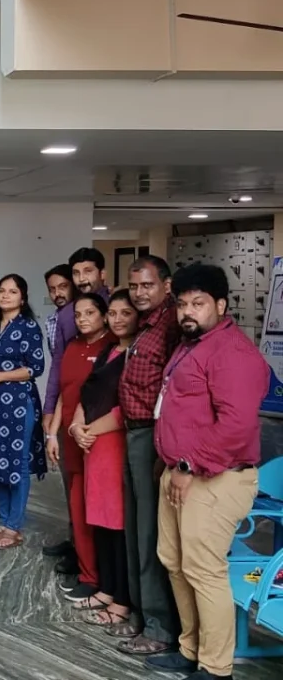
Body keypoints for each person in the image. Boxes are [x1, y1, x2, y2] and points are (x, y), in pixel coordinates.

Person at [145, 264, 268, 680]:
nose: (188, 312)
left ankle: (215, 668)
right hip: (180, 473)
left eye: (198, 304)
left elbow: (236, 427)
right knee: (175, 562)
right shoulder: (192, 345)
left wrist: (186, 464)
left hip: (214, 477)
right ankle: (191, 648)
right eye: (182, 304)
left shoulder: (232, 353)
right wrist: (171, 463)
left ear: (220, 305)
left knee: (203, 569)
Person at [116, 255, 182, 655]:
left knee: (150, 534)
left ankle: (159, 627)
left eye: (147, 285)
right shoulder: (145, 324)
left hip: (153, 437)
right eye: (134, 285)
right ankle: (140, 615)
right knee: (134, 530)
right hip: (132, 432)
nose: (139, 292)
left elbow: (174, 390)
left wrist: (164, 448)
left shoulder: (171, 325)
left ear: (166, 286)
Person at [62, 290, 138, 629]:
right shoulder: (110, 350)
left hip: (115, 444)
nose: (118, 319)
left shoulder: (137, 354)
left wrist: (88, 429)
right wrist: (76, 426)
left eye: (126, 313)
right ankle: (106, 589)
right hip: (94, 447)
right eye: (114, 313)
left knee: (117, 524)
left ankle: (121, 600)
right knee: (100, 522)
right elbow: (87, 393)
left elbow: (130, 407)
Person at [44, 250, 109, 569]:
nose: (82, 279)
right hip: (69, 415)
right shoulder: (66, 317)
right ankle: (78, 547)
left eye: (88, 271)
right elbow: (60, 367)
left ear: (102, 274)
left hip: (104, 423)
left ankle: (99, 561)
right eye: (77, 273)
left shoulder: (118, 309)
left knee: (100, 492)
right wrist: (50, 416)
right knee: (73, 486)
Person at [0, 274, 46, 550]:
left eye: (12, 291)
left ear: (22, 298)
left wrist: (0, 377)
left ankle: (14, 527)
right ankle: (3, 522)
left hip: (19, 402)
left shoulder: (28, 326)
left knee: (17, 463)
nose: (5, 295)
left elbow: (35, 368)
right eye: (2, 290)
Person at [42, 263, 77, 560]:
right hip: (66, 406)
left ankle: (85, 551)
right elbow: (57, 368)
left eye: (63, 287)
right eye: (52, 289)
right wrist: (50, 409)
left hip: (88, 411)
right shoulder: (55, 320)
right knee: (70, 480)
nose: (57, 294)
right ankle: (76, 542)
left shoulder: (81, 315)